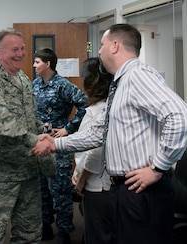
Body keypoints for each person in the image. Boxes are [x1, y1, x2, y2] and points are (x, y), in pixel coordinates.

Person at [33, 23, 187, 244]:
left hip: (143, 192)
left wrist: (159, 166)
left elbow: (181, 117)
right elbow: (99, 132)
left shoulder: (138, 76)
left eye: (102, 45)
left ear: (115, 46)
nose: (98, 51)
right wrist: (55, 143)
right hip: (124, 191)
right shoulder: (121, 83)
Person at [0, 27, 45, 243]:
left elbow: (30, 119)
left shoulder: (23, 79)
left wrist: (45, 132)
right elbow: (0, 121)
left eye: (22, 48)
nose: (21, 54)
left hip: (28, 173)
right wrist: (35, 140)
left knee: (29, 234)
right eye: (14, 49)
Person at [31, 48, 86, 243]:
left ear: (48, 63)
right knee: (41, 189)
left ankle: (64, 230)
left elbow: (84, 104)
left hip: (58, 145)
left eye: (37, 62)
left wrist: (68, 129)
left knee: (61, 190)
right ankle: (45, 224)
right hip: (39, 144)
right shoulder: (35, 85)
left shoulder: (63, 85)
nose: (34, 65)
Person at [72, 57, 113, 244]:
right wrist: (77, 172)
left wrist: (80, 180)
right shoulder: (98, 108)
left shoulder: (101, 110)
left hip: (98, 186)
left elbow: (95, 152)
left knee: (97, 236)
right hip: (93, 183)